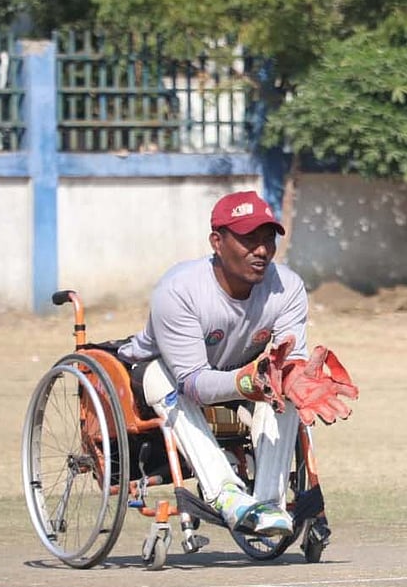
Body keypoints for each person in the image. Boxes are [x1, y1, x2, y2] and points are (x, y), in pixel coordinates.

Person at [118, 190, 358, 537]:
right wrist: (246, 382)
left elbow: (290, 359)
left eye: (267, 240)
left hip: (239, 374)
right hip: (163, 379)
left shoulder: (287, 286)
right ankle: (226, 494)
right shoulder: (179, 290)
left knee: (290, 383)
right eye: (248, 239)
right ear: (217, 241)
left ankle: (267, 504)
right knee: (161, 376)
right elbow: (193, 383)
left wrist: (290, 377)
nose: (261, 250)